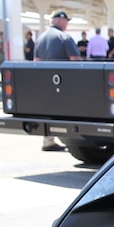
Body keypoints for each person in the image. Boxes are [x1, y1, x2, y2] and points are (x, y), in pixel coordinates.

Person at [34, 9, 80, 151]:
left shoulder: (40, 38)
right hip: (63, 82)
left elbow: (36, 61)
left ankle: (48, 140)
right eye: (66, 21)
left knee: (48, 111)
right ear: (60, 20)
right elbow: (76, 61)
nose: (66, 24)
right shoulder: (64, 37)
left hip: (45, 81)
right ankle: (73, 140)